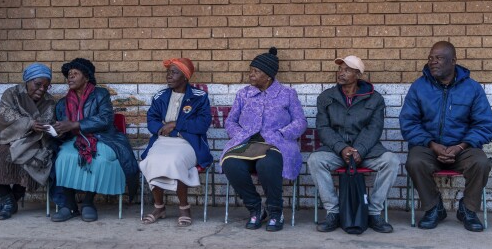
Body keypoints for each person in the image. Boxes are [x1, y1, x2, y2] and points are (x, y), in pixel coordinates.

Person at [400, 41, 492, 232]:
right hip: (429, 148)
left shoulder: (472, 88)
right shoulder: (419, 87)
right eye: (431, 58)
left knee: (481, 163)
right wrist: (432, 144)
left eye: (439, 58)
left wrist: (461, 146)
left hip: (463, 149)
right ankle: (434, 208)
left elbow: (484, 125)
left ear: (453, 61)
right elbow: (409, 123)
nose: (433, 62)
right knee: (415, 161)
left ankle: (467, 209)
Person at [308, 56, 399, 233]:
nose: (341, 73)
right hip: (336, 151)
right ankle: (333, 212)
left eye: (347, 70)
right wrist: (341, 148)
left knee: (391, 161)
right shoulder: (326, 97)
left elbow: (374, 128)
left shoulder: (375, 99)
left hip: (366, 151)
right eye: (340, 69)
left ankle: (373, 213)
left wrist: (359, 150)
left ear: (357, 74)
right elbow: (323, 127)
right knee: (315, 160)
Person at [220, 47, 307, 232]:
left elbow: (300, 121)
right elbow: (231, 121)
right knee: (231, 164)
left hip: (275, 144)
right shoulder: (244, 94)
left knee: (266, 165)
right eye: (251, 70)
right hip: (247, 143)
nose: (251, 75)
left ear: (268, 76)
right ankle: (255, 208)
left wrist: (282, 134)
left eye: (256, 72)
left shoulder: (287, 94)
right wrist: (239, 135)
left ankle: (276, 212)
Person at [51, 58, 138, 223]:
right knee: (62, 157)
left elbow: (106, 119)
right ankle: (69, 206)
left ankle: (88, 203)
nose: (70, 77)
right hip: (74, 140)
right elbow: (64, 128)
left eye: (75, 74)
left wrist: (75, 124)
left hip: (104, 138)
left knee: (96, 159)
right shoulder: (62, 103)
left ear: (86, 77)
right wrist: (58, 131)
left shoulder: (100, 94)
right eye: (69, 75)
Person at [140, 58, 212, 227]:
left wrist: (175, 124)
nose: (169, 76)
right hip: (163, 140)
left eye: (174, 72)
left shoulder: (199, 98)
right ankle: (159, 207)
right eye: (168, 72)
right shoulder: (160, 97)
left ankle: (184, 207)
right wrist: (169, 129)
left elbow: (202, 124)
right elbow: (152, 121)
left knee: (175, 161)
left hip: (188, 142)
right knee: (151, 161)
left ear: (185, 77)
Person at [0, 63, 55, 220]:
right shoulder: (11, 94)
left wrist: (41, 126)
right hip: (6, 138)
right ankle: (8, 199)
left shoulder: (49, 101)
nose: (42, 89)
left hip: (33, 140)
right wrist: (29, 123)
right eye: (38, 84)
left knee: (32, 159)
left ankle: (10, 202)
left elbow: (48, 121)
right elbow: (5, 116)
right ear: (27, 81)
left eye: (46, 86)